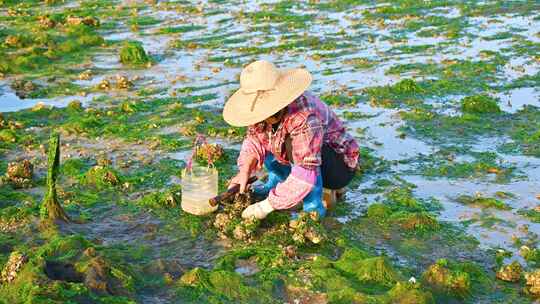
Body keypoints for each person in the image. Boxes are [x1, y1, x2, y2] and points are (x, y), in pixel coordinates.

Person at [223, 60, 359, 220]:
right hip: (308, 158)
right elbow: (254, 140)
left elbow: (306, 170)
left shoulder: (304, 117)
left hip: (338, 165)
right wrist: (245, 170)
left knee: (288, 143)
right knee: (267, 139)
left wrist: (266, 206)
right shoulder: (261, 116)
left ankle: (313, 207)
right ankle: (278, 187)